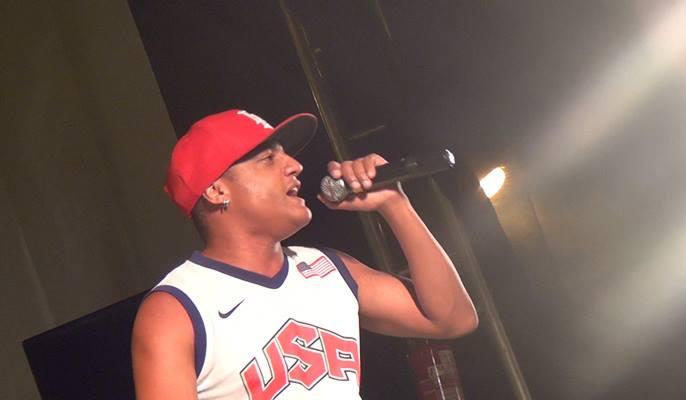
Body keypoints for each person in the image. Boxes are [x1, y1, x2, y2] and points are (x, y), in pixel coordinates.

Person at [131, 109, 477, 400]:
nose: (295, 165)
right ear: (216, 189)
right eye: (268, 159)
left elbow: (452, 319)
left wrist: (394, 204)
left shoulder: (329, 268)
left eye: (287, 155)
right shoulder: (178, 307)